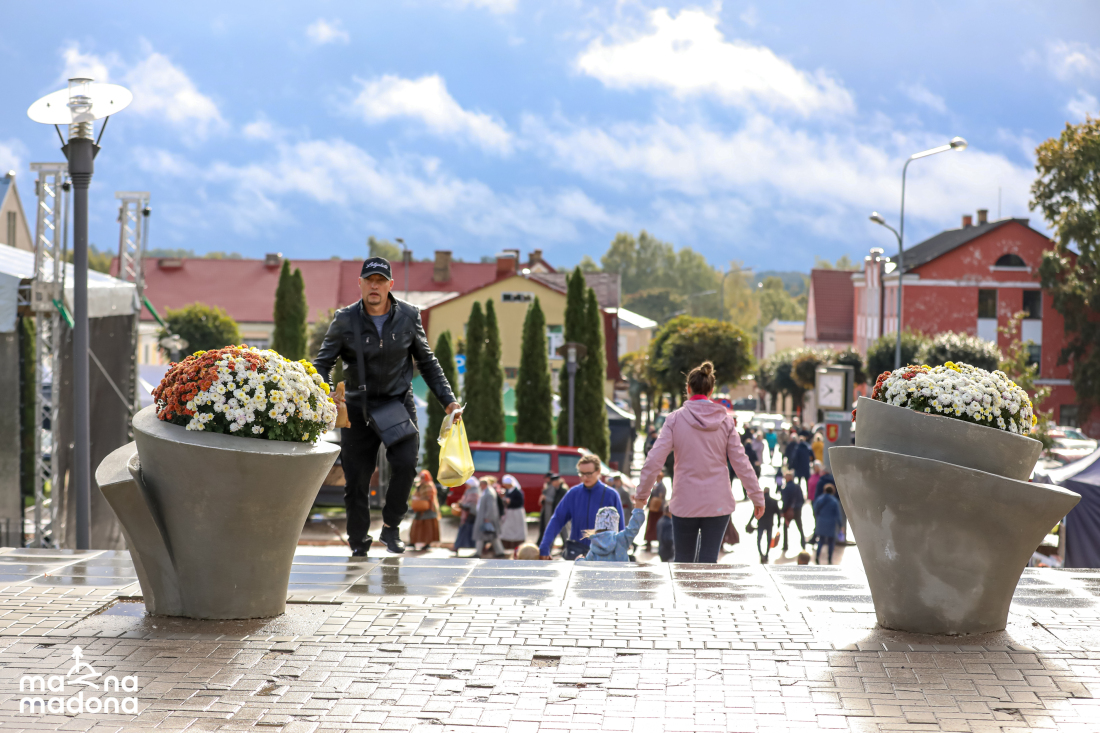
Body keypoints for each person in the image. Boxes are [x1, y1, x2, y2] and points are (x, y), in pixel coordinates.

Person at [314, 256, 461, 556]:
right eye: (369, 280)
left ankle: (391, 527)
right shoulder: (344, 319)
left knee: (406, 464)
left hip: (397, 403)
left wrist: (449, 401)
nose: (374, 286)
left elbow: (427, 363)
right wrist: (328, 394)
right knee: (356, 480)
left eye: (380, 281)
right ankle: (358, 541)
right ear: (360, 283)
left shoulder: (409, 315)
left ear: (390, 285)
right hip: (357, 408)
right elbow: (322, 364)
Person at [635, 362, 765, 564]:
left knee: (683, 563)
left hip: (685, 502)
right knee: (709, 562)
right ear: (711, 391)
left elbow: (654, 460)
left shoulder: (674, 420)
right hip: (718, 503)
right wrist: (757, 496)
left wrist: (642, 495)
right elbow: (741, 462)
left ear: (688, 389)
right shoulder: (726, 421)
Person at [539, 454, 625, 560]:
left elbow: (621, 528)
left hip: (603, 555)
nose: (584, 477)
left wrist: (621, 553)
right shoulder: (573, 493)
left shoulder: (611, 495)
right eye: (581, 473)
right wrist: (544, 546)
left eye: (588, 474)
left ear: (598, 471)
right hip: (576, 553)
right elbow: (557, 519)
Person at [576, 500, 646, 562]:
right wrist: (639, 505)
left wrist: (578, 559)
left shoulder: (595, 544)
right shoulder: (621, 539)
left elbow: (586, 564)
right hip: (621, 573)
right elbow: (634, 526)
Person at [408, 470, 440, 551]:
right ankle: (413, 542)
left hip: (429, 509)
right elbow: (415, 494)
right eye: (421, 477)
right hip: (419, 508)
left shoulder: (429, 485)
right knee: (416, 526)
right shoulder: (419, 485)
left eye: (423, 477)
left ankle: (427, 543)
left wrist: (420, 498)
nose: (422, 479)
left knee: (428, 527)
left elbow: (429, 496)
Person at [475, 477, 506, 559]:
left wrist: (487, 517)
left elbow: (490, 507)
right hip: (486, 517)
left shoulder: (489, 493)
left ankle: (478, 553)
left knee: (483, 535)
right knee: (492, 536)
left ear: (484, 484)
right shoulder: (487, 492)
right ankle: (500, 552)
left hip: (487, 518)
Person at [813, 484, 842, 565]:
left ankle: (817, 557)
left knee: (821, 541)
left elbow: (815, 510)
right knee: (831, 542)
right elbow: (837, 514)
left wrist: (818, 519)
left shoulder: (819, 499)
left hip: (821, 522)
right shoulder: (834, 501)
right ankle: (829, 559)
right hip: (831, 523)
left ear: (824, 490)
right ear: (833, 491)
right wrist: (840, 525)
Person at [780, 470, 806, 553]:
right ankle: (803, 544)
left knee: (785, 527)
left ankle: (785, 545)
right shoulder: (797, 487)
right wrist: (799, 507)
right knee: (800, 527)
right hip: (797, 510)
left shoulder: (786, 488)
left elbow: (785, 501)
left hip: (789, 511)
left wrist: (783, 511)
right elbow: (802, 499)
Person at [537, 474, 567, 546]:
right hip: (553, 513)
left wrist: (546, 498)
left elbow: (559, 502)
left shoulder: (563, 490)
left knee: (563, 531)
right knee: (552, 531)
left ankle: (567, 546)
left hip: (561, 514)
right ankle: (549, 547)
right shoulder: (552, 489)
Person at [500, 474, 528, 549]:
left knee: (517, 529)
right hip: (509, 513)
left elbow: (520, 502)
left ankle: (517, 544)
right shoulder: (507, 491)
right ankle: (507, 544)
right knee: (506, 528)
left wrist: (510, 501)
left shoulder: (517, 492)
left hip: (516, 513)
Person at [453, 478, 479, 556]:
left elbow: (472, 505)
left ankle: (457, 547)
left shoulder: (474, 492)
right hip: (465, 515)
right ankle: (456, 547)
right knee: (463, 531)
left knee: (468, 532)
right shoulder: (468, 491)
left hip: (471, 515)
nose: (466, 486)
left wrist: (463, 505)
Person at [756, 486, 780, 564]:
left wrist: (750, 522)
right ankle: (766, 554)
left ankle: (761, 554)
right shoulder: (774, 501)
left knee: (759, 539)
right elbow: (778, 513)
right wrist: (779, 523)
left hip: (761, 523)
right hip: (769, 524)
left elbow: (755, 513)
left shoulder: (760, 502)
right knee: (768, 539)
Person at [643, 473, 666, 553]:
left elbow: (661, 497)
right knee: (650, 526)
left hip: (658, 510)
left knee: (657, 526)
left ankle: (658, 543)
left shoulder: (661, 486)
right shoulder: (656, 485)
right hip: (653, 509)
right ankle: (648, 543)